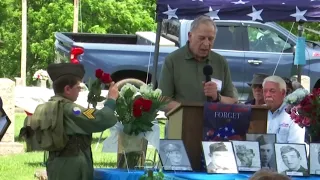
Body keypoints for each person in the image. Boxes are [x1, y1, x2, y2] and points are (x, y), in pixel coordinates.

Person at [30, 63, 119, 180]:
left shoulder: (49, 106)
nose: (79, 91)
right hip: (72, 167)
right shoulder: (71, 109)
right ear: (67, 89)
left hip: (55, 164)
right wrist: (111, 100)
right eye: (78, 88)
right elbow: (97, 118)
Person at [159, 15, 238, 112]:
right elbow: (163, 101)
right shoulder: (172, 60)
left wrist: (218, 97)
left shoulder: (220, 62)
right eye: (201, 38)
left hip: (212, 125)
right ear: (190, 36)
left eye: (210, 39)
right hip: (181, 123)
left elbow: (233, 101)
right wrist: (190, 111)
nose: (206, 43)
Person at [262, 75, 305, 143]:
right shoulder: (258, 112)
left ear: (283, 93)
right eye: (265, 91)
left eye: (272, 91)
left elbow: (295, 147)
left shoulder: (294, 115)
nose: (267, 95)